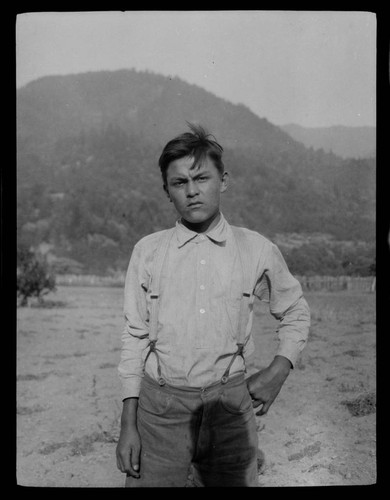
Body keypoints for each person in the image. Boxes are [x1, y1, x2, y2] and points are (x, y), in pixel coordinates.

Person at [116, 123, 310, 487]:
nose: (192, 192)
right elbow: (134, 335)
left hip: (230, 411)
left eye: (201, 178)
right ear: (166, 191)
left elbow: (296, 311)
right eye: (179, 183)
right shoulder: (148, 251)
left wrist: (279, 370)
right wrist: (128, 424)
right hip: (159, 412)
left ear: (223, 180)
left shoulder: (256, 249)